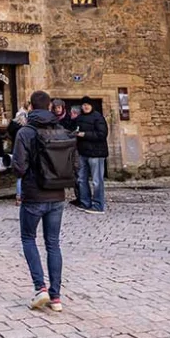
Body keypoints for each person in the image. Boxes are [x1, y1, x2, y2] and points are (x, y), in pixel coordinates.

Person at [12, 90, 74, 312]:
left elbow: (18, 167)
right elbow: (73, 164)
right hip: (57, 194)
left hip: (34, 194)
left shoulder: (25, 132)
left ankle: (41, 288)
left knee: (28, 239)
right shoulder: (61, 130)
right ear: (49, 107)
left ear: (30, 107)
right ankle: (56, 297)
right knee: (53, 243)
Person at [75, 97, 108, 213]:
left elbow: (102, 134)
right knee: (81, 179)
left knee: (97, 180)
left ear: (91, 106)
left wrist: (84, 134)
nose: (86, 107)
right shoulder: (79, 118)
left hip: (96, 153)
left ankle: (98, 205)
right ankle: (85, 202)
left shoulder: (98, 117)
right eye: (84, 105)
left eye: (88, 104)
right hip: (83, 152)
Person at [7, 106, 29, 204]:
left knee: (19, 175)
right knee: (27, 174)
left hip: (15, 151)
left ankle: (19, 196)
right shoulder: (27, 127)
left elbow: (8, 134)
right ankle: (24, 195)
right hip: (26, 152)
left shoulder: (13, 126)